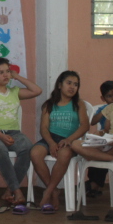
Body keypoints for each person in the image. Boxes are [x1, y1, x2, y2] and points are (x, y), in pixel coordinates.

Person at [0, 57, 42, 213]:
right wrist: (1, 136)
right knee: (0, 149)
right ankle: (17, 191)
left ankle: (9, 190)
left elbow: (37, 91)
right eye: (1, 72)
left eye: (7, 71)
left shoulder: (15, 92)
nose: (5, 75)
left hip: (14, 133)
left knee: (28, 148)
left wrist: (17, 76)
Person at [29, 71, 89, 213]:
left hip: (70, 140)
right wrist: (51, 143)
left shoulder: (78, 104)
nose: (72, 87)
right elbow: (43, 128)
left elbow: (84, 126)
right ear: (60, 85)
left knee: (64, 155)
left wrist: (69, 139)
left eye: (76, 84)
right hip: (50, 138)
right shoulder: (49, 104)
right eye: (69, 83)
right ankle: (54, 190)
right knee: (35, 153)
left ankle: (48, 192)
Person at [85, 80, 113, 198]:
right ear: (103, 98)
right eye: (109, 96)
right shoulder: (103, 108)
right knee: (93, 151)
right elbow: (92, 121)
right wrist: (104, 111)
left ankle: (94, 185)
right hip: (104, 140)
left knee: (103, 153)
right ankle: (93, 183)